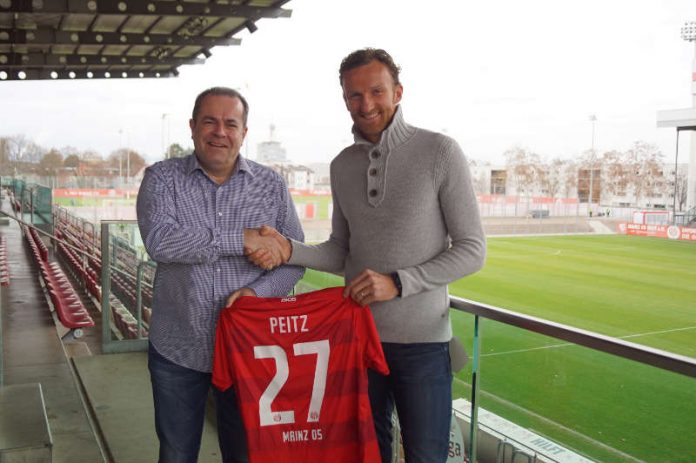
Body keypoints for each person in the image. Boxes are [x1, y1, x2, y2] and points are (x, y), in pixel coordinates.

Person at [246, 49, 486, 462]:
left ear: (398, 92)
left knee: (426, 457)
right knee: (365, 455)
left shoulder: (440, 152)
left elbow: (472, 251)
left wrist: (397, 283)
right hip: (356, 339)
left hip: (423, 346)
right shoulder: (341, 165)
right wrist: (288, 250)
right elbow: (341, 250)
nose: (366, 104)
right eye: (354, 95)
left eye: (376, 91)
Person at [136, 86, 304, 463]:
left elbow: (294, 259)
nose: (220, 131)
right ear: (193, 127)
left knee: (245, 454)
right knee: (177, 453)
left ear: (244, 133)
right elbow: (161, 242)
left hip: (250, 350)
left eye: (231, 123)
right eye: (210, 121)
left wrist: (256, 296)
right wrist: (240, 239)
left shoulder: (271, 185)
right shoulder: (162, 179)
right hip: (179, 347)